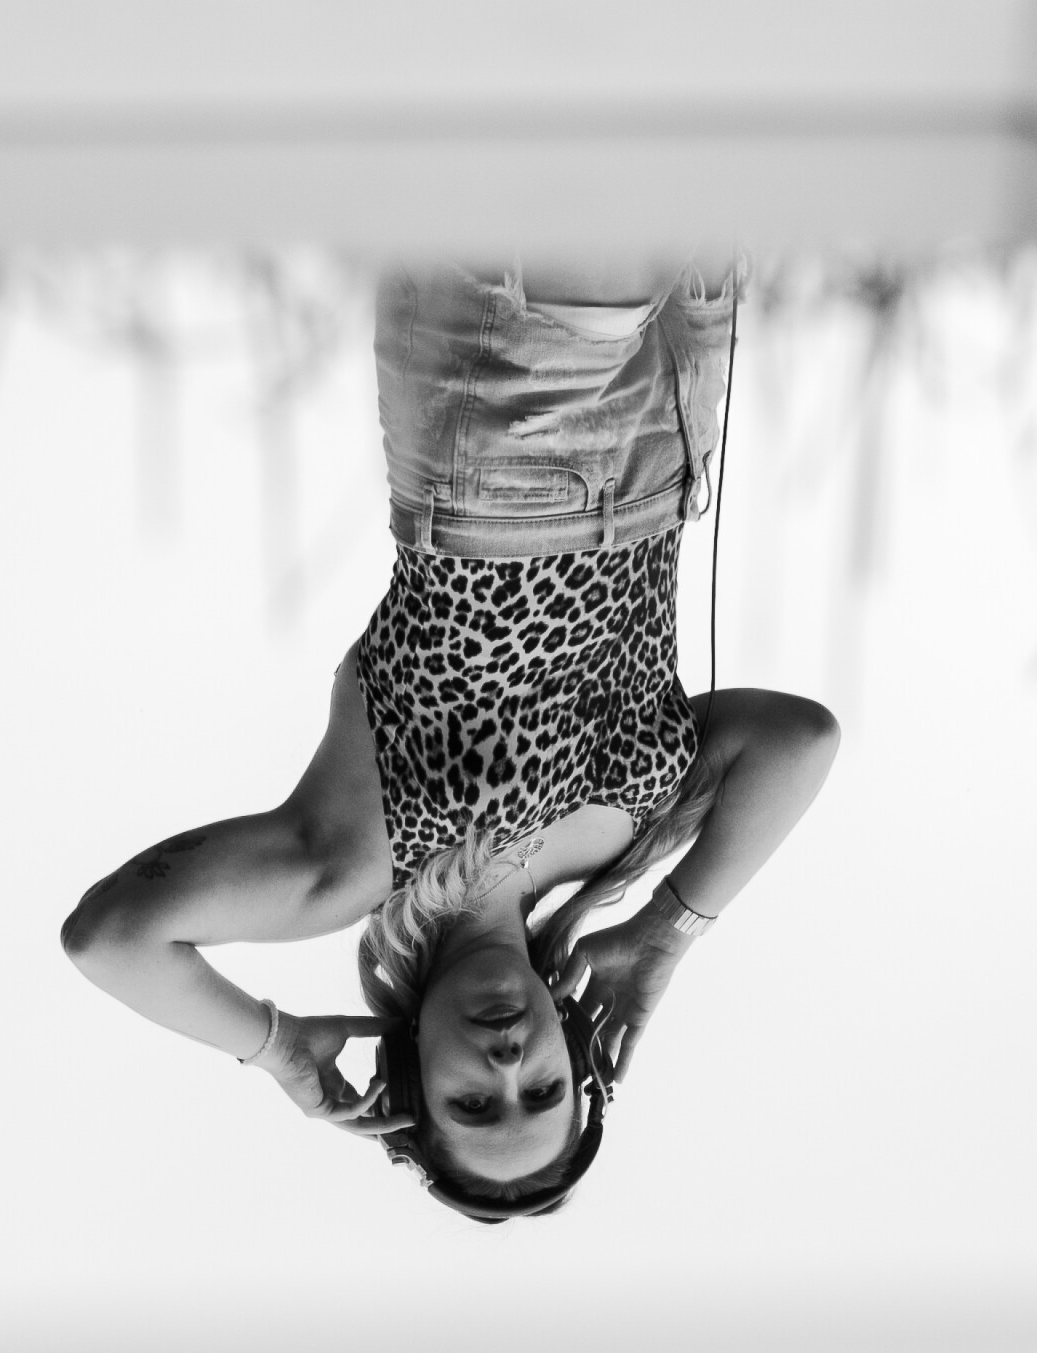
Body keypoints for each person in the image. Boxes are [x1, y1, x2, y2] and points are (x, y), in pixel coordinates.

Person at [59, 247, 840, 1219]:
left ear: (411, 1073)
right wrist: (665, 933)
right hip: (677, 417)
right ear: (575, 1054)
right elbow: (800, 742)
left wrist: (278, 1049)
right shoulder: (624, 849)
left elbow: (111, 939)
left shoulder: (353, 867)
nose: (508, 1065)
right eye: (543, 1091)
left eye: (473, 1103)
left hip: (506, 434)